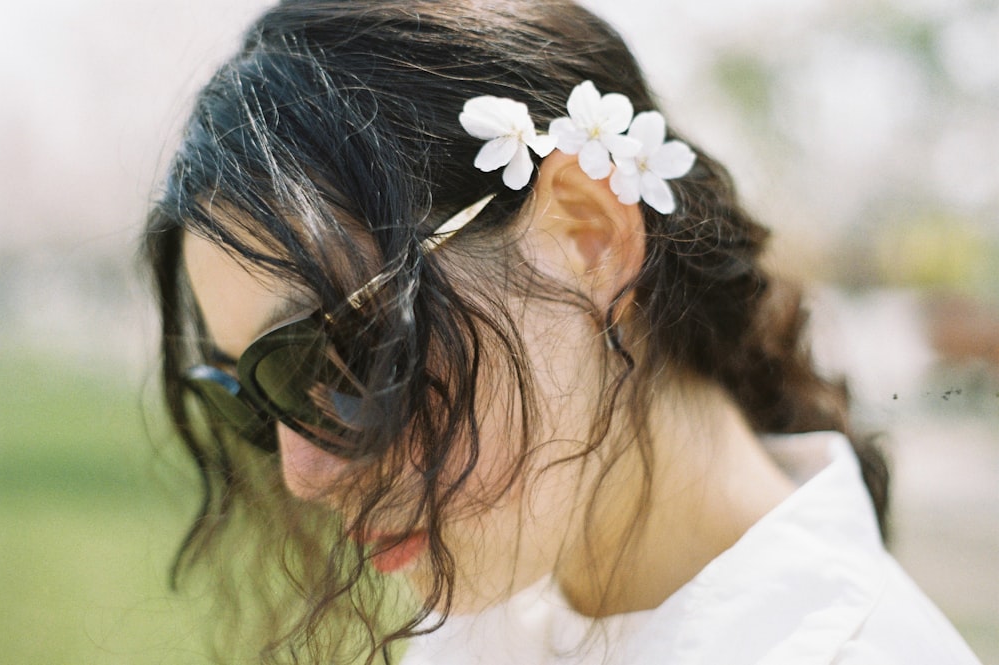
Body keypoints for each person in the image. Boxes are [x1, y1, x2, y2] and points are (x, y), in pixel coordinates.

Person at [144, 1, 982, 663]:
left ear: (587, 232)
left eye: (339, 356)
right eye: (251, 396)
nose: (304, 471)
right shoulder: (486, 609)